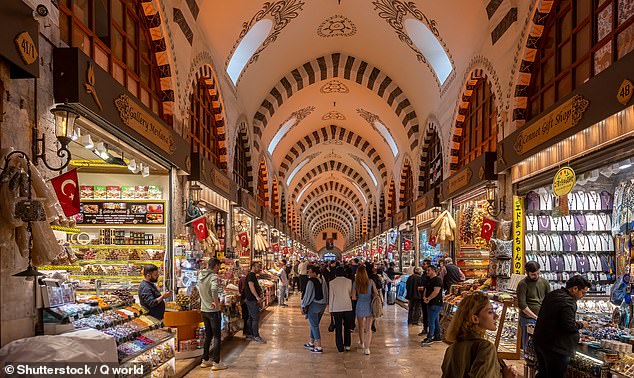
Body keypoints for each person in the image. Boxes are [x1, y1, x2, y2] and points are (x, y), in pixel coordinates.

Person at [441, 292, 518, 378]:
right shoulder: (486, 347)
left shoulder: (451, 349)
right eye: (490, 312)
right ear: (475, 318)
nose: (496, 316)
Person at [534, 275, 591, 377]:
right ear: (574, 289)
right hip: (556, 348)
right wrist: (581, 324)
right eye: (583, 292)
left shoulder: (553, 294)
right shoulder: (568, 302)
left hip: (541, 342)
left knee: (543, 373)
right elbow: (568, 326)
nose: (583, 296)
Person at [198, 258, 227, 370]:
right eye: (218, 266)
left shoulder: (201, 275)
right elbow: (214, 289)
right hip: (213, 311)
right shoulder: (213, 276)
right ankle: (216, 362)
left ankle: (205, 360)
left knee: (208, 335)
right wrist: (216, 302)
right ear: (215, 265)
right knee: (217, 337)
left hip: (204, 310)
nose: (219, 269)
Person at [517, 261, 550, 353]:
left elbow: (549, 299)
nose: (536, 276)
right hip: (527, 318)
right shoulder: (523, 284)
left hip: (542, 317)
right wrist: (535, 316)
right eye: (533, 274)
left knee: (541, 344)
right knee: (528, 345)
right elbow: (522, 305)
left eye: (538, 273)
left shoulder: (544, 282)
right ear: (527, 272)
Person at [301, 265, 329, 353]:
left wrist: (303, 305)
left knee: (314, 325)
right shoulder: (322, 279)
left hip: (314, 305)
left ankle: (319, 346)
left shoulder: (311, 282)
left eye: (309, 272)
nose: (308, 273)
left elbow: (308, 295)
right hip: (322, 305)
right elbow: (326, 292)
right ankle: (311, 342)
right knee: (314, 324)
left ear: (314, 273)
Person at [328, 266, 354, 352]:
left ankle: (340, 347)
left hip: (336, 307)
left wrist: (330, 309)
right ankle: (347, 345)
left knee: (338, 328)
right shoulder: (349, 281)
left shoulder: (332, 282)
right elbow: (350, 294)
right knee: (347, 327)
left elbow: (331, 297)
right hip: (347, 306)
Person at [352, 265, 375, 355]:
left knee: (361, 326)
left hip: (360, 305)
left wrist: (359, 296)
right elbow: (376, 293)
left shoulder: (355, 283)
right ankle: (367, 348)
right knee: (368, 328)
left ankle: (361, 343)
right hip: (369, 305)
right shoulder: (371, 282)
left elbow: (353, 297)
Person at [245, 261, 267, 343]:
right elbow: (251, 286)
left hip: (251, 299)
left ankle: (250, 334)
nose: (259, 268)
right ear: (253, 266)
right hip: (252, 300)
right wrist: (257, 297)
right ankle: (256, 336)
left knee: (251, 318)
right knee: (255, 318)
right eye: (257, 266)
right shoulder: (251, 275)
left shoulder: (252, 275)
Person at [421, 265, 443, 346]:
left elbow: (436, 291)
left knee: (431, 321)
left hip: (436, 303)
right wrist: (424, 296)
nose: (427, 272)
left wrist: (428, 298)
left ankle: (430, 337)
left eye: (429, 270)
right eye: (427, 270)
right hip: (429, 302)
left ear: (434, 271)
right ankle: (437, 336)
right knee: (435, 320)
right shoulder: (428, 279)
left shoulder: (438, 280)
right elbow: (426, 289)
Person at [418, 259, 431, 336]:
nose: (423, 265)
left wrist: (424, 288)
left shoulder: (431, 276)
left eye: (424, 264)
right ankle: (425, 328)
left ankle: (430, 331)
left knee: (429, 314)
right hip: (423, 297)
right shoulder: (423, 274)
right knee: (425, 313)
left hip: (428, 297)